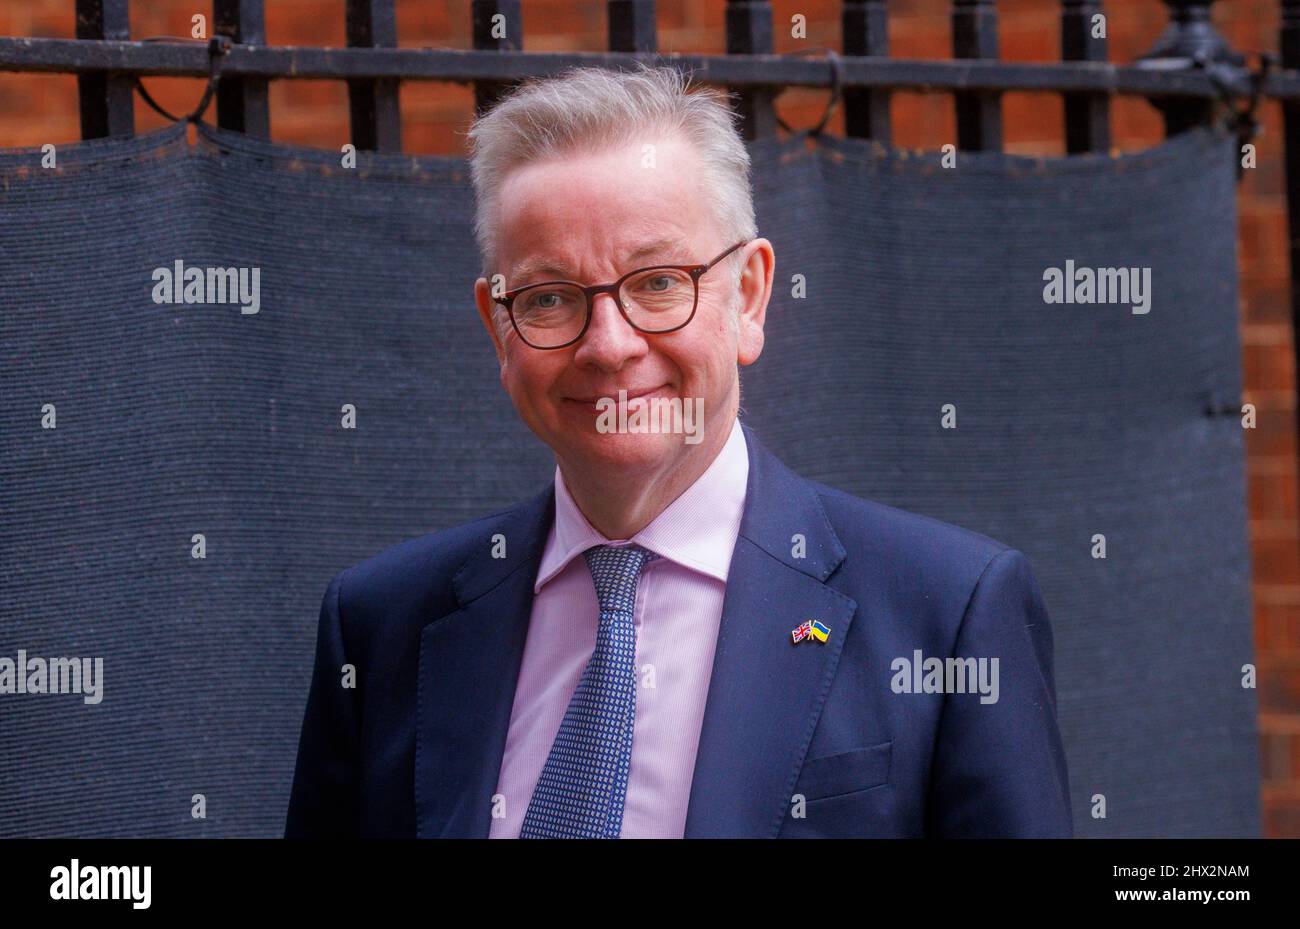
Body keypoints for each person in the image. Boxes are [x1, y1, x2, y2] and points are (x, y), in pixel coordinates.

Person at [285, 63, 1072, 839]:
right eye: (550, 297)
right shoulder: (384, 625)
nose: (610, 345)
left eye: (658, 282)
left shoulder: (946, 613)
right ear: (499, 327)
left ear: (750, 297)